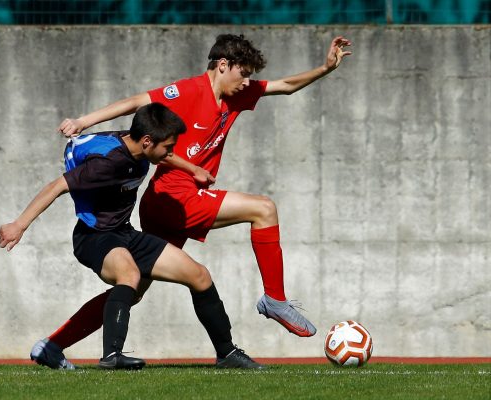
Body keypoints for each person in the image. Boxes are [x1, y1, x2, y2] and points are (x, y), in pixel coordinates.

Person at [32, 33, 352, 369]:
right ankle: (274, 299)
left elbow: (285, 85)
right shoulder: (187, 90)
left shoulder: (237, 96)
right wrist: (84, 121)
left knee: (136, 290)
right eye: (242, 73)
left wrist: (325, 68)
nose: (247, 82)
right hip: (173, 195)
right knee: (264, 208)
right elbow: (137, 101)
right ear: (222, 65)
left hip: (173, 204)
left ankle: (52, 345)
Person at [0, 103, 263, 370]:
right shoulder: (107, 163)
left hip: (124, 232)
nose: (171, 153)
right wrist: (19, 225)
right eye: (169, 146)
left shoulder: (141, 143)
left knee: (199, 276)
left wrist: (191, 169)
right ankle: (112, 356)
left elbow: (162, 154)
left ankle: (227, 354)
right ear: (147, 141)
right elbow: (57, 186)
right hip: (94, 237)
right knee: (130, 277)